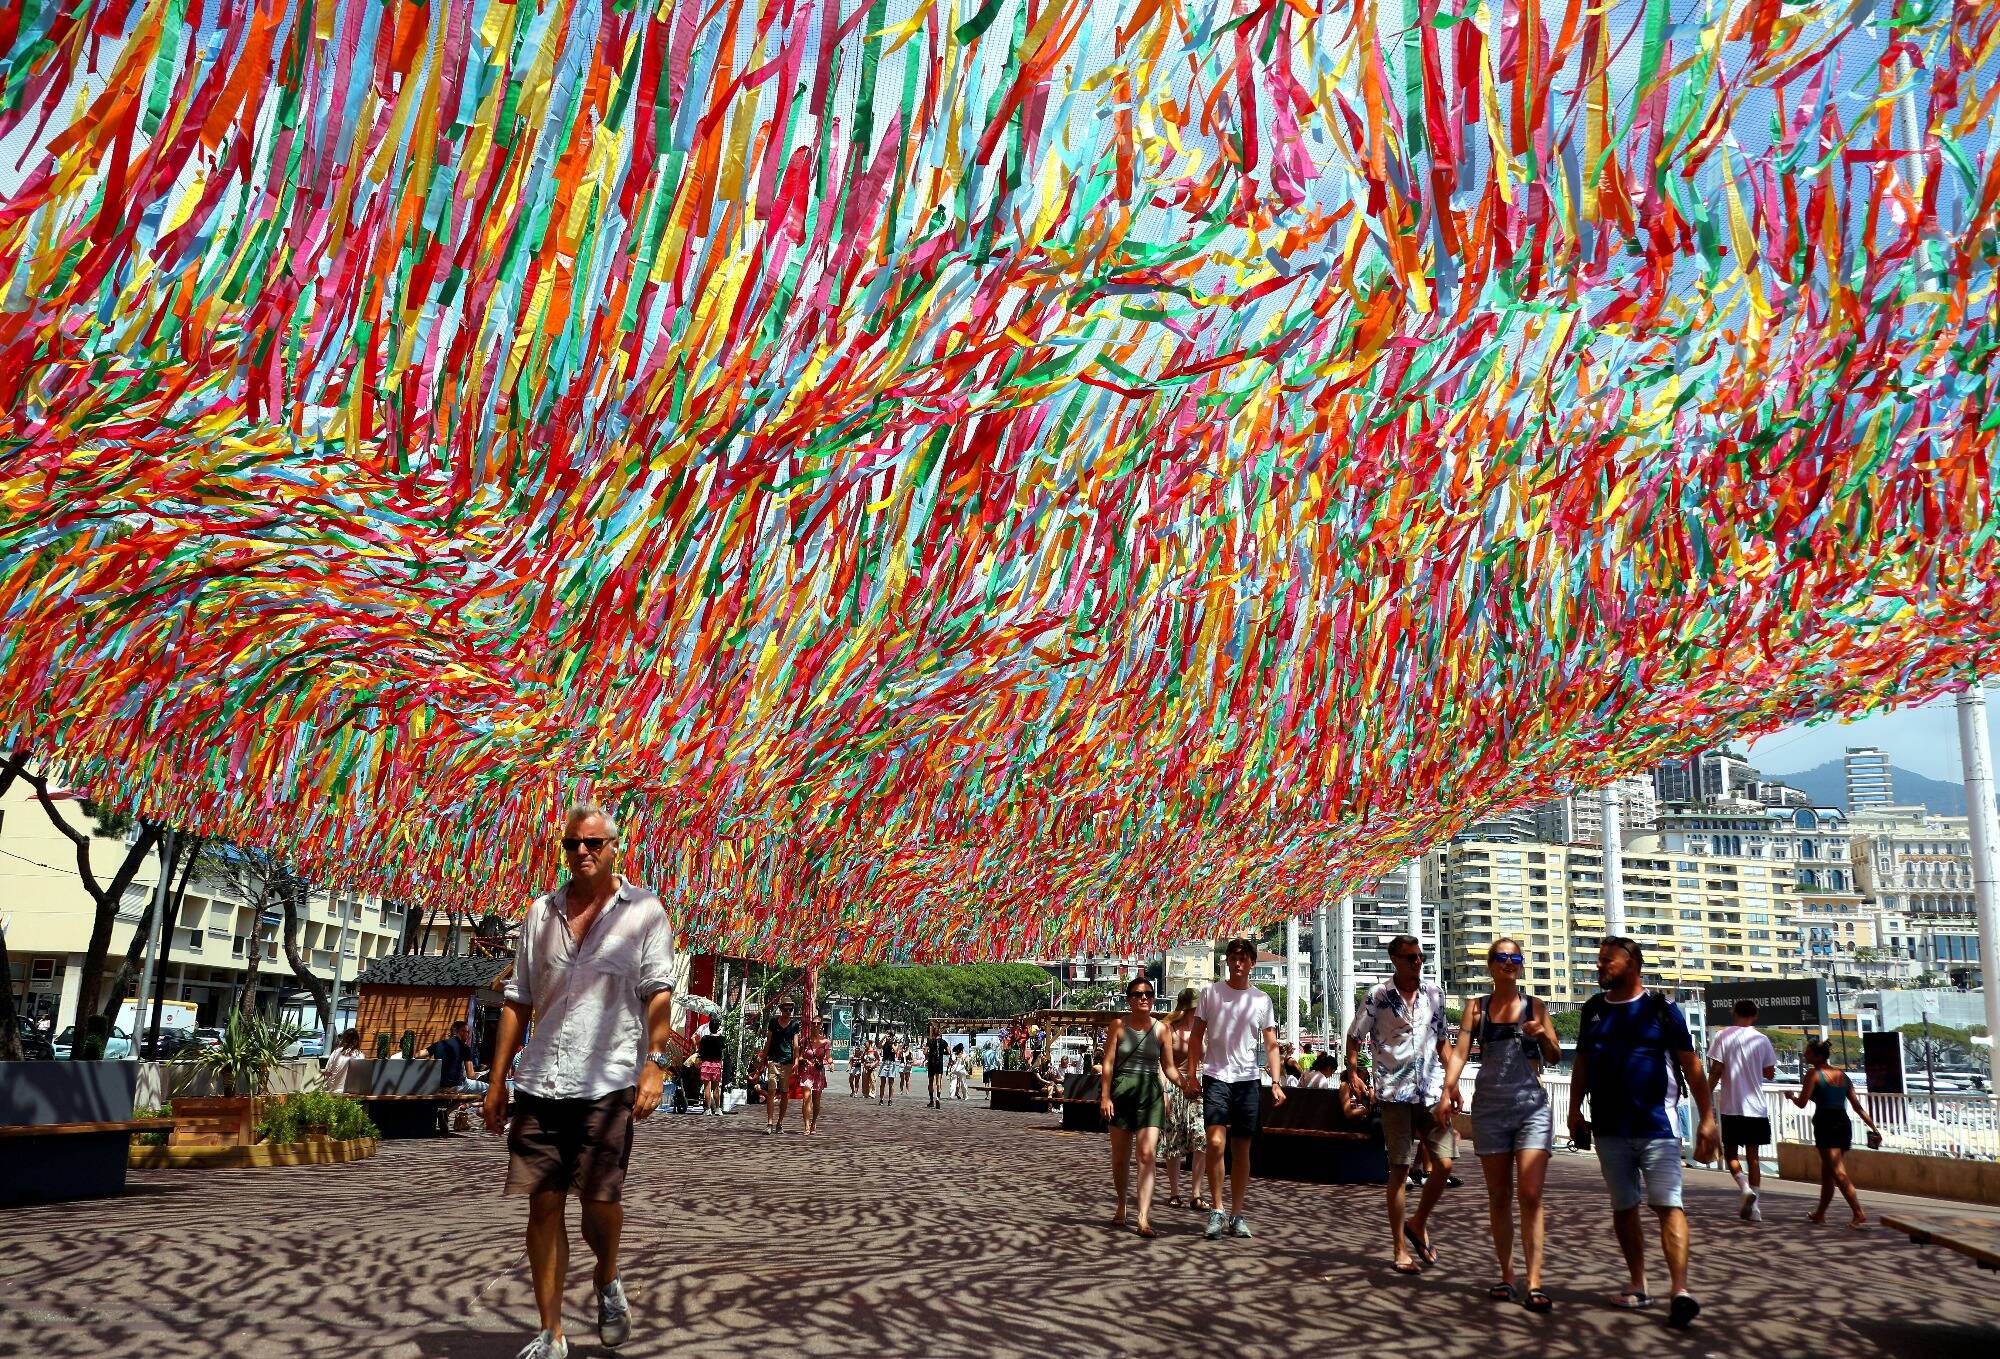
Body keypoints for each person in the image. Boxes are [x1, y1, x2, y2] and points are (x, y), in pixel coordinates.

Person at [482, 804, 677, 1359]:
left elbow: (657, 990)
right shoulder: (539, 914)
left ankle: (607, 1276)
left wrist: (654, 1060)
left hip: (609, 1077)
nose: (582, 852)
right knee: (543, 1203)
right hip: (540, 1078)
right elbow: (518, 1000)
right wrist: (497, 1082)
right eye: (572, 844)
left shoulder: (644, 911)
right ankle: (552, 1334)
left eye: (593, 842)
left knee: (598, 1198)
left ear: (616, 846)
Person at [1565, 937, 1718, 1331]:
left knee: (1669, 1205)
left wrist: (1707, 1119)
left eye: (1607, 961)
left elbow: (1692, 1067)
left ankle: (1680, 1290)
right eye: (1598, 961)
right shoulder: (1594, 1010)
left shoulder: (1661, 1009)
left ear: (1631, 963)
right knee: (1624, 1208)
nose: (1599, 967)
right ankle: (1639, 1284)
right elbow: (1581, 1063)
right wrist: (1573, 1110)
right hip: (1609, 1129)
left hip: (1658, 1127)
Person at [1440, 938, 1561, 1310]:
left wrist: (1542, 1035)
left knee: (1530, 1193)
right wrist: (1449, 1087)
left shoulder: (1535, 1006)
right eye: (1502, 957)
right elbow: (1460, 1051)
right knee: (1498, 1196)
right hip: (1491, 1107)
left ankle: (1535, 1280)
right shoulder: (1476, 1009)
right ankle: (1507, 1275)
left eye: (1515, 958)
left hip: (1531, 1108)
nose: (1509, 963)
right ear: (1491, 964)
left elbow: (1555, 1056)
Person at [1347, 934, 1454, 1277]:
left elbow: (1443, 1041)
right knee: (1400, 1169)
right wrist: (1353, 1071)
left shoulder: (1435, 995)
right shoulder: (1378, 996)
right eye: (1409, 958)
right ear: (1394, 959)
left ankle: (1418, 1221)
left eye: (1419, 957)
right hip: (1394, 1092)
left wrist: (1452, 1085)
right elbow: (1354, 1035)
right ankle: (1399, 1248)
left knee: (1445, 1164)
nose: (1416, 963)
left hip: (1431, 1090)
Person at [1185, 938, 1285, 1239]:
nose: (1238, 963)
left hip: (1247, 1080)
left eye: (1244, 958)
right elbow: (1195, 1037)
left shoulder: (1261, 1000)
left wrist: (1276, 1082)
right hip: (1216, 1075)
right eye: (1233, 957)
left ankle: (1237, 1213)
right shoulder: (1210, 993)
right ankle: (1217, 1209)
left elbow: (1270, 1044)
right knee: (1215, 1144)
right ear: (1227, 961)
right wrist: (1192, 1074)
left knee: (1242, 1148)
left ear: (1252, 963)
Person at [1099, 976, 1172, 1236]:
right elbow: (1108, 1064)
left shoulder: (1162, 1030)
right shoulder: (1118, 1026)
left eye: (1149, 994)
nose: (1145, 998)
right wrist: (1105, 1096)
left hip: (1150, 1093)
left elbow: (1169, 1067)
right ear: (1129, 999)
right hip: (1122, 1092)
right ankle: (1121, 1204)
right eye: (1139, 994)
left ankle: (1143, 1217)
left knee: (1146, 1155)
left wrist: (1184, 1084)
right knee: (1120, 1158)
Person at [1791, 1038, 1882, 1228]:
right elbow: (1857, 1107)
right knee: (1828, 1173)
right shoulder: (1843, 1076)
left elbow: (1801, 1103)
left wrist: (1791, 1096)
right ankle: (1820, 1214)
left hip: (1827, 1124)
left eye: (1808, 1053)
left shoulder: (1813, 1074)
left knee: (1837, 1172)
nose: (1805, 1055)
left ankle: (1858, 1212)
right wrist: (1874, 1128)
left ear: (1817, 1056)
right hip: (1843, 1123)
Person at [1707, 998, 1778, 1222]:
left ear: (1733, 1012)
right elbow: (1769, 1072)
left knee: (1730, 1154)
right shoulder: (1762, 1039)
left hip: (1732, 1105)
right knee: (1754, 1156)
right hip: (1756, 1107)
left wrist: (1705, 1094)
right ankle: (1755, 1208)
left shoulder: (1723, 1036)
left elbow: (1716, 1069)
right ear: (1755, 1016)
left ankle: (1744, 1188)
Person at [1159, 987, 1207, 1210]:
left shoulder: (1204, 1029)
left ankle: (1196, 1193)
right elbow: (1163, 1065)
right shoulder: (1169, 1029)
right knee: (1174, 1140)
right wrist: (1164, 1093)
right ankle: (1174, 1192)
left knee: (1201, 1138)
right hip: (1175, 1086)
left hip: (1198, 1088)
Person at [761, 998, 802, 1135]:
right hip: (774, 1060)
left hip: (787, 1061)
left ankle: (780, 1123)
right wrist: (763, 1059)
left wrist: (796, 1060)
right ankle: (769, 1123)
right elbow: (768, 1041)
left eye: (790, 1009)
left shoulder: (795, 1024)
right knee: (772, 1089)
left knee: (784, 1092)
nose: (788, 1012)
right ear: (780, 1009)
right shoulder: (773, 1022)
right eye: (785, 1009)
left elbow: (796, 1044)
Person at [429, 1019, 488, 1094]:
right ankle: (467, 1105)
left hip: (440, 1086)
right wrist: (482, 1074)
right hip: (457, 1086)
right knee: (490, 1089)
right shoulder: (464, 1047)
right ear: (461, 1032)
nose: (468, 1034)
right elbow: (471, 1075)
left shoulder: (438, 1044)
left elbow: (420, 1054)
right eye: (467, 1032)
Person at [796, 1017, 831, 1135]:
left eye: (818, 1023)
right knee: (806, 1098)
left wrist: (830, 1063)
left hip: (818, 1072)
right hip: (806, 1071)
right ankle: (806, 1124)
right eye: (813, 1023)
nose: (815, 1025)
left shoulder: (826, 1041)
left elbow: (828, 1056)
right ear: (811, 1025)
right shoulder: (805, 1041)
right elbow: (799, 1056)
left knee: (816, 1101)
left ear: (821, 1025)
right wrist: (803, 1060)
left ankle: (814, 1122)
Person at [696, 1017, 727, 1116]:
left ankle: (708, 1109)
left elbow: (700, 1051)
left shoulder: (705, 1038)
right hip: (717, 1064)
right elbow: (723, 1050)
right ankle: (718, 1109)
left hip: (706, 1064)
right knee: (716, 1087)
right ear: (718, 1028)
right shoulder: (721, 1039)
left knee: (707, 1087)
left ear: (709, 1027)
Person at [322, 1027, 363, 1094]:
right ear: (356, 1041)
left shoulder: (336, 1052)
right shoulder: (360, 1055)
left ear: (344, 1039)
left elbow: (327, 1073)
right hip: (351, 1092)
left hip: (333, 1091)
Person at [925, 1030, 949, 1108]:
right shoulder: (943, 1042)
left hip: (932, 1063)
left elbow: (925, 1052)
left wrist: (930, 1053)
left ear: (933, 1034)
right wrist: (942, 1052)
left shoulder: (930, 1041)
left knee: (931, 1081)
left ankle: (931, 1100)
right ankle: (938, 1098)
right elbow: (949, 1051)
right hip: (939, 1063)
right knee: (938, 1081)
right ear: (940, 1034)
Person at [878, 1039, 900, 1105]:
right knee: (882, 1083)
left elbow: (896, 1051)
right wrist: (884, 1038)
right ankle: (881, 1099)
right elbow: (879, 1045)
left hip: (891, 1063)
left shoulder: (894, 1044)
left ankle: (890, 1099)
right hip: (885, 1062)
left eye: (890, 1037)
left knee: (891, 1083)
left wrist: (893, 1043)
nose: (889, 1038)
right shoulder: (885, 1044)